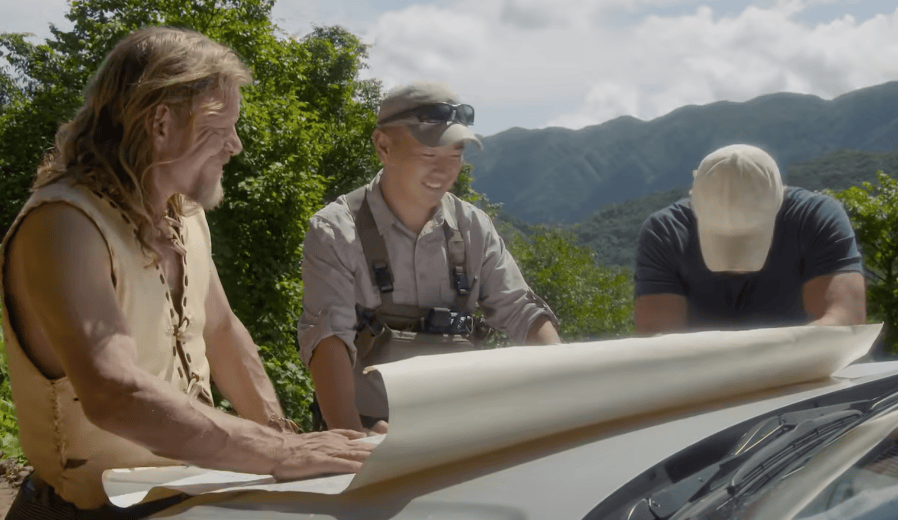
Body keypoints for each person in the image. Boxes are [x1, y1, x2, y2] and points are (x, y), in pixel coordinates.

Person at [0, 27, 373, 519]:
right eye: (223, 127)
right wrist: (279, 454)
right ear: (162, 123)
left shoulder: (185, 215)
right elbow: (114, 392)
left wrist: (286, 439)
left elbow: (220, 331)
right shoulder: (63, 226)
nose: (235, 145)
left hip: (189, 498)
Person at [298, 82, 561, 433]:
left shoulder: (473, 227)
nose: (444, 171)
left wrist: (564, 382)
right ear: (383, 146)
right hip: (367, 429)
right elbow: (328, 339)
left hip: (461, 430)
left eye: (455, 156)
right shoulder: (335, 230)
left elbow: (521, 311)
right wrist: (353, 440)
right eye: (428, 155)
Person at [633, 144, 867, 334]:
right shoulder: (665, 233)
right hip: (705, 377)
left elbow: (844, 323)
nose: (737, 268)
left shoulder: (816, 219)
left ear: (778, 202)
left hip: (805, 374)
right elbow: (660, 338)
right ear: (696, 204)